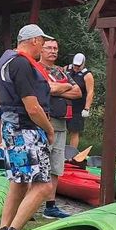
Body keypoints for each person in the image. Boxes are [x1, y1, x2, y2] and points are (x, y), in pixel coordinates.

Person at [0, 24, 56, 230]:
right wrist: (49, 130)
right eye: (42, 42)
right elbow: (32, 107)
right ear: (35, 41)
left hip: (12, 128)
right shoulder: (21, 64)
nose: (43, 47)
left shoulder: (6, 59)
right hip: (26, 130)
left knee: (19, 183)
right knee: (44, 187)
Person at [39, 38, 81, 218]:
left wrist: (57, 88)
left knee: (56, 166)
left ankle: (50, 206)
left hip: (61, 125)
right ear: (41, 50)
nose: (53, 51)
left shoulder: (60, 71)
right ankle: (28, 204)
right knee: (38, 165)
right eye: (49, 48)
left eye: (55, 48)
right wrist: (64, 88)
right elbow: (43, 89)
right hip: (41, 124)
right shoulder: (35, 68)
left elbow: (78, 92)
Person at [65, 53, 94, 149]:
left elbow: (90, 92)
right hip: (65, 105)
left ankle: (72, 154)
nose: (76, 68)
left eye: (78, 66)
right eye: (75, 65)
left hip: (78, 107)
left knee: (74, 130)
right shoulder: (67, 69)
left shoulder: (87, 75)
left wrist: (87, 108)